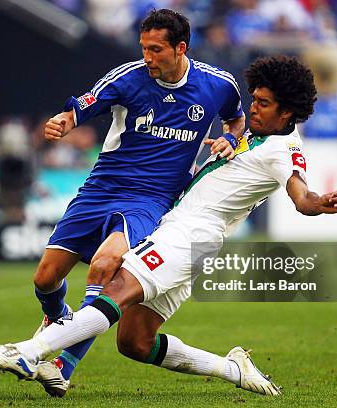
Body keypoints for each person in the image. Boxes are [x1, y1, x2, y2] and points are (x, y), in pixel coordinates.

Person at [0, 55, 337, 397]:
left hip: (190, 235)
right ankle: (233, 368)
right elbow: (234, 132)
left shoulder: (284, 150)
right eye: (254, 99)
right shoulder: (255, 134)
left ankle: (27, 352)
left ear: (288, 113)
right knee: (135, 342)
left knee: (115, 289)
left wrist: (316, 203)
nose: (253, 108)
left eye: (263, 104)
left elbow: (300, 194)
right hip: (183, 233)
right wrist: (229, 137)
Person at [30, 8, 245, 395]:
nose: (147, 57)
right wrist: (64, 122)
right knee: (45, 279)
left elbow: (237, 120)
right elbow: (82, 105)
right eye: (143, 48)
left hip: (152, 199)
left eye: (156, 49)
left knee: (105, 264)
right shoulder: (128, 77)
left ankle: (64, 363)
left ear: (181, 48)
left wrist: (230, 138)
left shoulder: (218, 85)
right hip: (101, 189)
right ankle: (58, 317)